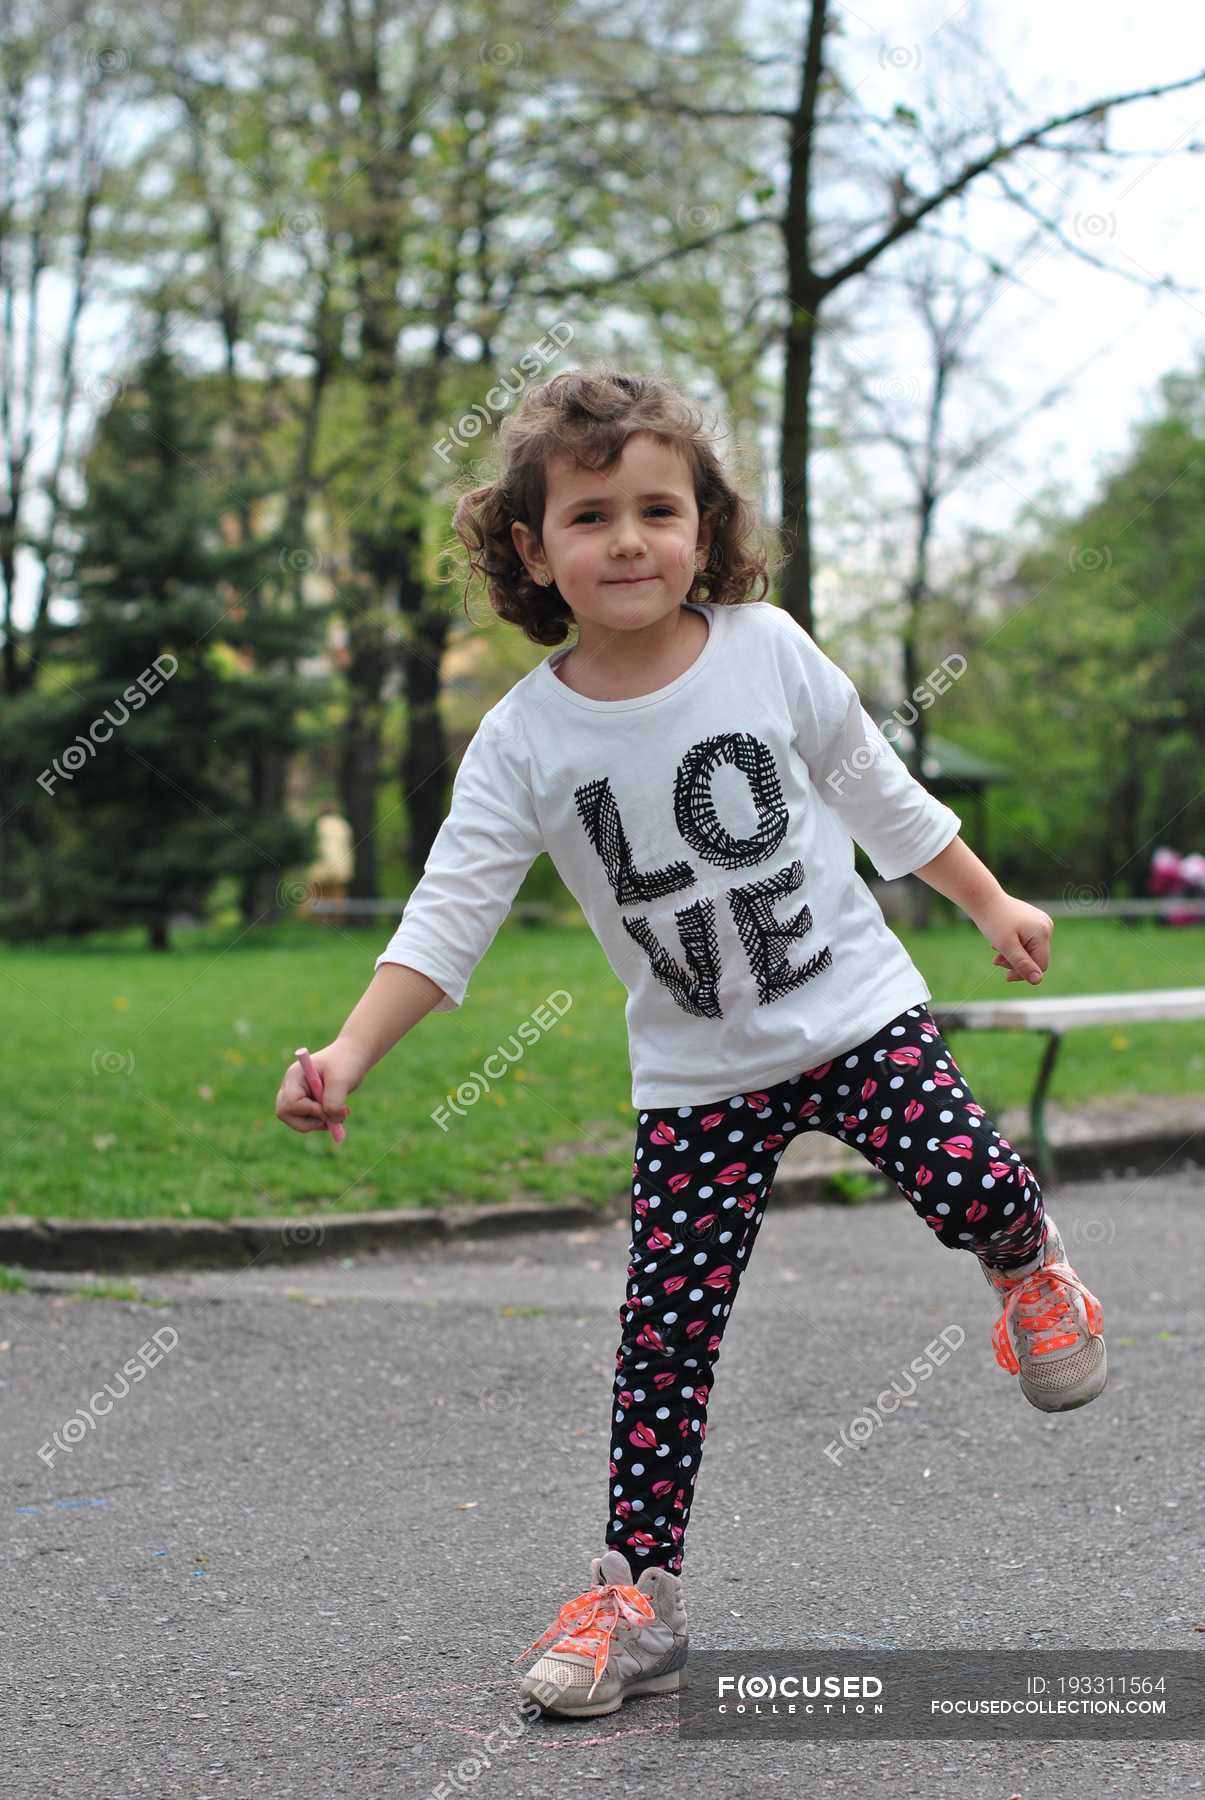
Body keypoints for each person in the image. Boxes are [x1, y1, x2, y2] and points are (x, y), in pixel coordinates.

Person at [273, 365, 1107, 1722]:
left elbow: (876, 794)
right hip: (696, 1077)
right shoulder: (523, 738)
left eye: (659, 509)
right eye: (591, 516)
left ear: (705, 527)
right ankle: (637, 1595)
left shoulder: (768, 650)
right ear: (534, 549)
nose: (628, 541)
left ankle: (1029, 1266)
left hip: (853, 1015)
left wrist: (988, 899)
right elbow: (449, 914)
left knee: (963, 1176)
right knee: (664, 1335)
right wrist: (350, 1053)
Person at [300, 802, 353, 927]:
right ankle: (337, 925)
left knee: (315, 897)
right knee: (337, 898)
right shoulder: (343, 825)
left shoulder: (317, 825)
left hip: (320, 867)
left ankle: (316, 925)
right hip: (341, 868)